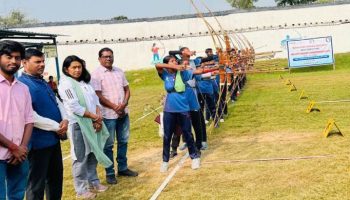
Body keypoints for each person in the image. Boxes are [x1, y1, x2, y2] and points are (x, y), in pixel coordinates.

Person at [58, 55, 112, 199]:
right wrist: (95, 117)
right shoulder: (65, 84)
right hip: (78, 125)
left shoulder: (85, 83)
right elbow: (74, 107)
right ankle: (81, 190)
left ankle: (94, 181)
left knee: (94, 152)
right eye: (74, 67)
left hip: (93, 122)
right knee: (80, 157)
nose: (77, 70)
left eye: (79, 67)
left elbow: (96, 102)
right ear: (66, 69)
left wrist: (98, 119)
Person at [18, 49, 68, 200]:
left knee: (55, 179)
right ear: (24, 63)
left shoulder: (41, 81)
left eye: (43, 61)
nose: (42, 65)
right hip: (37, 143)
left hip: (53, 140)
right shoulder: (22, 85)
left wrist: (65, 119)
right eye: (37, 62)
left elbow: (57, 101)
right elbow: (31, 116)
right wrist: (57, 127)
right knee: (36, 184)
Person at [91, 48, 138, 185]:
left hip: (123, 113)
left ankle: (122, 168)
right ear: (99, 58)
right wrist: (115, 107)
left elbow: (127, 89)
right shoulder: (96, 74)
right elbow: (98, 95)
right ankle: (110, 172)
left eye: (110, 56)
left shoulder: (119, 71)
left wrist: (123, 105)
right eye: (105, 57)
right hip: (108, 115)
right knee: (108, 145)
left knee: (123, 141)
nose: (108, 59)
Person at [155, 55, 202, 172]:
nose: (175, 62)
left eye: (176, 60)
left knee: (187, 133)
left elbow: (197, 71)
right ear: (167, 63)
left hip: (183, 108)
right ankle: (165, 161)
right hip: (169, 109)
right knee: (167, 136)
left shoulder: (182, 73)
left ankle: (194, 157)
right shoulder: (165, 74)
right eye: (172, 61)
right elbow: (157, 65)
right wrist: (172, 65)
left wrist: (188, 67)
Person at [0, 40, 34, 200]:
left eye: (17, 57)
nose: (13, 61)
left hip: (19, 155)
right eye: (8, 56)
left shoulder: (23, 88)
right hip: (3, 153)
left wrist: (22, 148)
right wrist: (13, 147)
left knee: (17, 195)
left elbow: (29, 120)